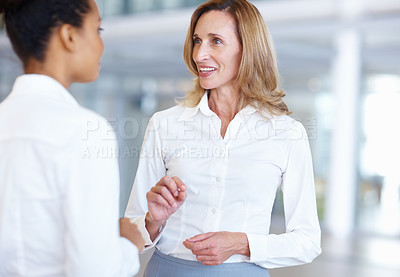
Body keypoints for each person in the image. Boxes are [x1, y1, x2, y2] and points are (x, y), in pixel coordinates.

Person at [125, 0, 321, 276]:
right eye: (197, 41)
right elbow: (131, 231)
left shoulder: (287, 134)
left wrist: (242, 243)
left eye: (216, 41)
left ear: (248, 50)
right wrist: (152, 221)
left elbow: (308, 241)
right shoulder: (165, 124)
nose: (199, 54)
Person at [0, 0, 144, 276]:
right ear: (69, 36)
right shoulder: (85, 130)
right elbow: (95, 270)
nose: (102, 45)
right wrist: (128, 242)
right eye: (97, 30)